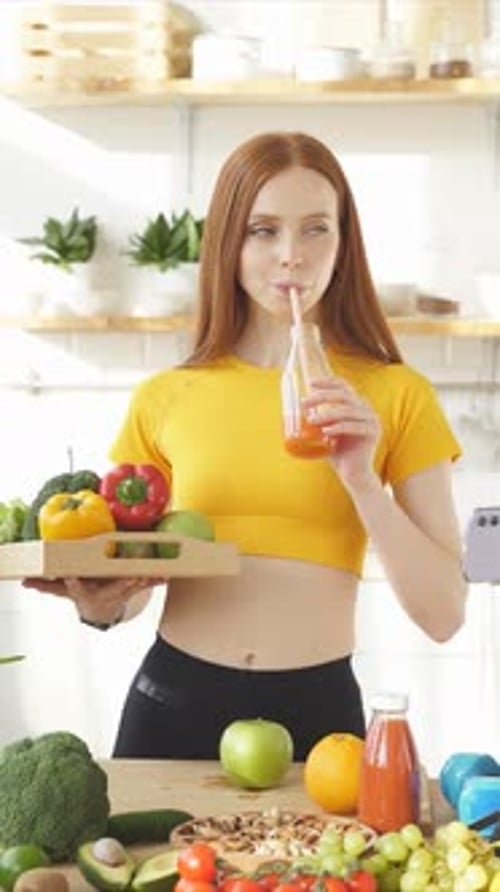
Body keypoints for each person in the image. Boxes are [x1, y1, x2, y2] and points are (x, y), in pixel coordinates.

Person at [24, 131, 468, 761]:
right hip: (171, 708)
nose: (292, 255)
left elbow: (444, 616)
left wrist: (363, 480)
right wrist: (101, 607)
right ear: (229, 243)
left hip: (320, 722)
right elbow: (138, 578)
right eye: (263, 230)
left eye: (316, 229)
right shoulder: (165, 397)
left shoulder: (395, 395)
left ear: (344, 244)